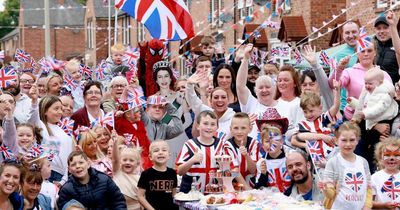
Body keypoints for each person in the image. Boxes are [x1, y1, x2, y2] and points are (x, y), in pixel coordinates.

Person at [236, 44, 285, 139]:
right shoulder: (251, 104)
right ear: (255, 91)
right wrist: (246, 59)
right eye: (260, 87)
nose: (264, 90)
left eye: (268, 87)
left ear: (275, 88)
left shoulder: (285, 106)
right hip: (253, 151)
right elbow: (240, 85)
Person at [28, 90, 74, 185]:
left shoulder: (64, 132)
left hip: (62, 178)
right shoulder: (40, 126)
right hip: (45, 172)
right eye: (56, 108)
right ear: (45, 110)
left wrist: (63, 181)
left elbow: (69, 158)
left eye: (61, 109)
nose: (60, 112)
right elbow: (33, 116)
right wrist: (34, 101)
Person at [322, 122, 372, 210]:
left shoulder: (363, 162)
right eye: (344, 140)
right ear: (336, 140)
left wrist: (367, 206)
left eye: (352, 140)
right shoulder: (333, 162)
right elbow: (330, 194)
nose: (348, 144)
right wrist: (325, 189)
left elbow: (368, 188)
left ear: (357, 140)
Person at [57, 151, 127, 210]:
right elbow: (63, 207)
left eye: (81, 162)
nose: (78, 166)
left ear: (88, 164)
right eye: (73, 165)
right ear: (69, 170)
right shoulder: (66, 190)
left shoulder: (104, 180)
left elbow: (118, 202)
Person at [292, 79, 340, 162]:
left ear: (320, 108)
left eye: (311, 111)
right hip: (315, 159)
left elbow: (335, 106)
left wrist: (337, 91)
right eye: (305, 112)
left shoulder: (325, 118)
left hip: (331, 155)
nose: (308, 114)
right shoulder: (302, 124)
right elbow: (293, 141)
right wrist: (305, 145)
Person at [176, 110, 224, 193]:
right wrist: (192, 160)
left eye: (212, 124)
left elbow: (227, 171)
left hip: (213, 195)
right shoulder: (189, 145)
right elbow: (179, 171)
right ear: (198, 126)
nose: (209, 127)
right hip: (190, 195)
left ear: (217, 127)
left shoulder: (221, 145)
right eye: (205, 123)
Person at [187, 71, 235, 138]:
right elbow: (193, 100)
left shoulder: (234, 118)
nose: (220, 100)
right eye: (216, 97)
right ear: (210, 101)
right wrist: (189, 85)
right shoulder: (206, 112)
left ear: (228, 100)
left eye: (223, 97)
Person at [255, 113, 292, 192]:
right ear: (262, 144)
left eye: (275, 140)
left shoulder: (289, 158)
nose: (271, 144)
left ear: (282, 141)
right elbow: (259, 188)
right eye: (267, 141)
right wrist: (263, 174)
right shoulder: (261, 163)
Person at [138, 140, 178, 210]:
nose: (160, 152)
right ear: (150, 157)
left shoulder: (172, 173)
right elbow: (140, 196)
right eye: (156, 150)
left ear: (169, 155)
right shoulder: (146, 174)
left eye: (164, 150)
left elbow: (174, 194)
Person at [224, 112, 259, 188]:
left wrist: (246, 155)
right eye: (236, 128)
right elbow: (234, 171)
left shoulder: (254, 143)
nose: (239, 131)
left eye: (243, 128)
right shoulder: (228, 145)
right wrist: (248, 190)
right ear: (231, 129)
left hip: (252, 185)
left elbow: (253, 170)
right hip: (234, 186)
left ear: (250, 129)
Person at [114, 100, 152, 169]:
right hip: (129, 157)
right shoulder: (122, 124)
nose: (140, 113)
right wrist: (117, 116)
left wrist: (150, 150)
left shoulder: (140, 124)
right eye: (137, 111)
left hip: (143, 156)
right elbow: (115, 124)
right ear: (128, 114)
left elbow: (145, 139)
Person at [371, 137, 400, 209]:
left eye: (396, 155)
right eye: (387, 154)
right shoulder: (374, 178)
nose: (392, 158)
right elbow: (368, 202)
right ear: (380, 158)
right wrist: (383, 205)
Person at [113, 144, 142, 210]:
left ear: (137, 164)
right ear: (120, 161)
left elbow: (143, 197)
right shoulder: (117, 172)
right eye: (124, 160)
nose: (127, 162)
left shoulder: (140, 178)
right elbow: (115, 160)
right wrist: (115, 143)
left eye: (131, 160)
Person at [374, 11, 400, 84]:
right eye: (378, 28)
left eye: (385, 28)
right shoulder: (371, 46)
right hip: (374, 89)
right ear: (374, 30)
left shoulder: (397, 45)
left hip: (394, 90)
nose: (381, 31)